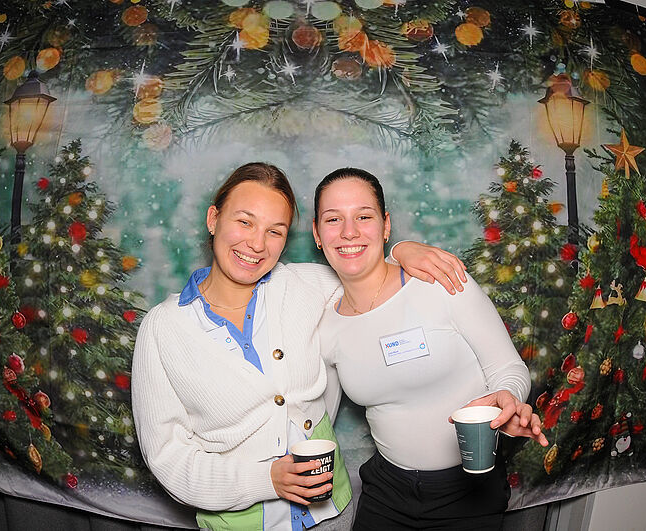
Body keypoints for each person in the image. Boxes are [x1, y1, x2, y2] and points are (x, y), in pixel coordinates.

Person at [131, 163, 468, 531]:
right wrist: (265, 480)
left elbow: (367, 274)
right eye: (245, 222)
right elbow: (167, 457)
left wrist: (400, 251)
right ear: (214, 219)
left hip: (333, 516)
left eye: (274, 231)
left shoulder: (305, 285)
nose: (257, 244)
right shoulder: (163, 328)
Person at [313, 168, 549, 531]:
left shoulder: (440, 282)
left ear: (386, 225)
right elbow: (318, 417)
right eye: (333, 219)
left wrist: (508, 396)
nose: (349, 232)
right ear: (317, 234)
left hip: (469, 491)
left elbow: (508, 368)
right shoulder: (327, 326)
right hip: (385, 492)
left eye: (364, 216)